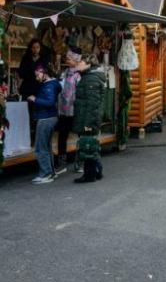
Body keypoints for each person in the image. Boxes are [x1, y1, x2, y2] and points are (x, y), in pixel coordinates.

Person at [72, 54, 107, 183]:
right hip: (88, 118)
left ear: (89, 64)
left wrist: (88, 124)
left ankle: (89, 175)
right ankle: (96, 172)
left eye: (80, 61)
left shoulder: (90, 79)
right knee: (90, 145)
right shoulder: (88, 77)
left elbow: (92, 105)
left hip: (88, 119)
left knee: (88, 145)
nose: (77, 63)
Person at [27, 63, 62, 184]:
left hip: (45, 119)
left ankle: (45, 174)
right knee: (46, 147)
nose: (36, 77)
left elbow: (50, 102)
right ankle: (51, 172)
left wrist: (35, 99)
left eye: (37, 75)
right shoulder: (51, 84)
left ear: (44, 73)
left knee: (40, 147)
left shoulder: (49, 86)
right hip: (49, 118)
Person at [55, 46, 83, 175]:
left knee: (80, 135)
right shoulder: (64, 72)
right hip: (63, 110)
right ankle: (62, 160)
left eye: (70, 57)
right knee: (62, 134)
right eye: (67, 57)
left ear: (76, 59)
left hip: (75, 109)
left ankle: (80, 161)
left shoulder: (80, 74)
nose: (67, 59)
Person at [19, 38, 51, 146]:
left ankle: (36, 139)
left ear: (40, 48)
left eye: (37, 47)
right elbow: (21, 73)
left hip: (39, 90)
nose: (35, 50)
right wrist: (34, 73)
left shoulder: (44, 59)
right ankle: (26, 139)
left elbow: (45, 73)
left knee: (37, 114)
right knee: (26, 115)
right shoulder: (26, 58)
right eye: (33, 47)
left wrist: (34, 73)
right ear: (30, 48)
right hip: (27, 90)